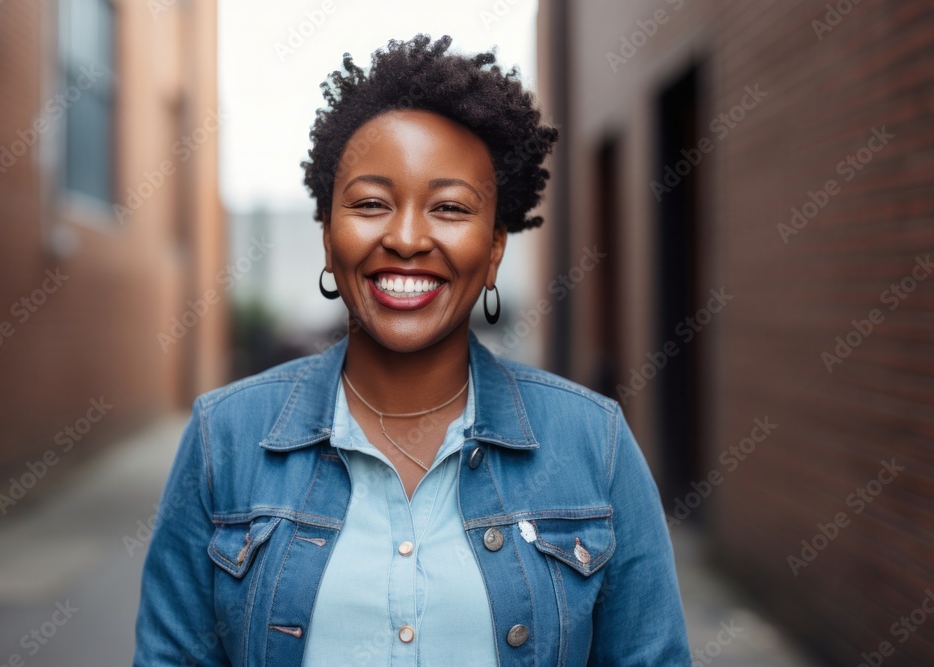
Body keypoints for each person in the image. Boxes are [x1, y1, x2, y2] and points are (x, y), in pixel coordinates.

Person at [134, 33, 689, 666]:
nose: (405, 238)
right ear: (328, 237)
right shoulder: (223, 437)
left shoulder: (595, 441)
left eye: (449, 207)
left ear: (495, 249)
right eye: (371, 203)